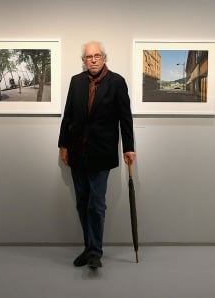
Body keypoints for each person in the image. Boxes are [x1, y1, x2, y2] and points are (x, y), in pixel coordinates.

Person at [58, 41, 136, 269]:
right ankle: (88, 248)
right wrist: (63, 145)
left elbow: (125, 118)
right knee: (82, 203)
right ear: (83, 60)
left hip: (101, 154)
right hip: (77, 153)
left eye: (97, 55)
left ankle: (95, 252)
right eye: (88, 56)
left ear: (104, 58)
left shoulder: (117, 82)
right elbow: (68, 115)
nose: (93, 59)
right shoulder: (76, 82)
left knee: (97, 204)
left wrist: (128, 147)